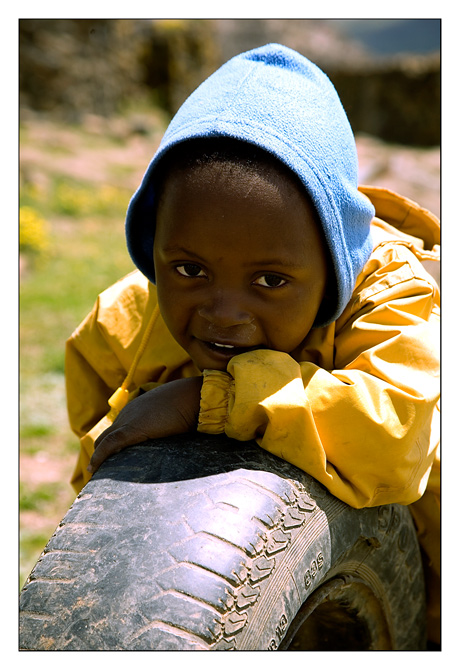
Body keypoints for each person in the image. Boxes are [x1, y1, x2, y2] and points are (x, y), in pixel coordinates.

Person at [65, 44, 440, 645]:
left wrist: (206, 400)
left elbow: (394, 435)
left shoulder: (390, 299)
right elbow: (100, 446)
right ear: (154, 247)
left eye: (270, 281)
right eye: (189, 270)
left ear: (333, 268)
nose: (224, 313)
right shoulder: (126, 319)